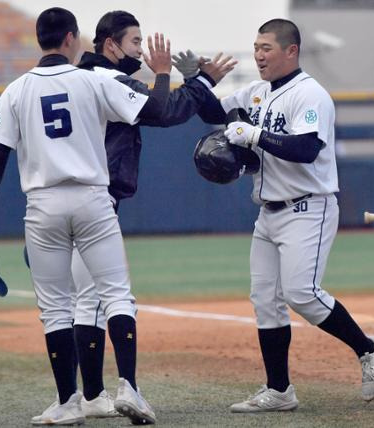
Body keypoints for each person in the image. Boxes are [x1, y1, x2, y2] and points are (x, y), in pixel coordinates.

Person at [0, 7, 165, 425]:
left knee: (57, 309)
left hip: (43, 205)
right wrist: (164, 74)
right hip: (94, 199)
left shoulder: (16, 90)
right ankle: (129, 388)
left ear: (40, 40)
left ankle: (68, 402)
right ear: (70, 38)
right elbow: (154, 109)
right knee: (115, 295)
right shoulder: (92, 80)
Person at [44, 10, 236, 419]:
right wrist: (192, 80)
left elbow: (161, 103)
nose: (142, 49)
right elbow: (163, 110)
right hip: (95, 201)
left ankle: (91, 396)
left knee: (85, 300)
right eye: (134, 42)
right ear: (109, 44)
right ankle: (123, 388)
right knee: (107, 297)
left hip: (56, 201)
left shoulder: (81, 78)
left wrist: (191, 83)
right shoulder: (106, 79)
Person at [198, 19, 374, 412]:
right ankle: (280, 390)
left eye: (267, 47)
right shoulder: (256, 92)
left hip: (308, 206)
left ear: (291, 51)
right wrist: (196, 80)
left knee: (301, 293)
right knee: (265, 299)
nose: (259, 54)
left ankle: (369, 350)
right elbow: (211, 112)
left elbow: (307, 148)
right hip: (268, 210)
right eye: (256, 46)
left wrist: (253, 136)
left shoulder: (311, 94)